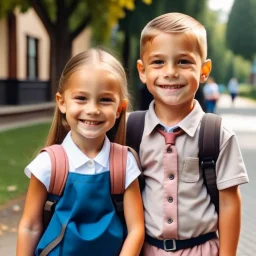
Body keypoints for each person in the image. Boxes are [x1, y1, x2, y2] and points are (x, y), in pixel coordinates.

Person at [134, 13, 249, 255]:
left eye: (183, 62)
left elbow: (229, 202)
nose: (171, 72)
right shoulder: (131, 131)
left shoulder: (217, 135)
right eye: (158, 62)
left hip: (202, 249)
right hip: (145, 249)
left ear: (204, 70)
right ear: (142, 71)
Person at [17, 49, 145, 256]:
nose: (93, 109)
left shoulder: (125, 162)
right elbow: (30, 226)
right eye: (81, 98)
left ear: (120, 108)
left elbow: (136, 229)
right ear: (62, 102)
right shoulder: (48, 164)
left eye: (105, 100)